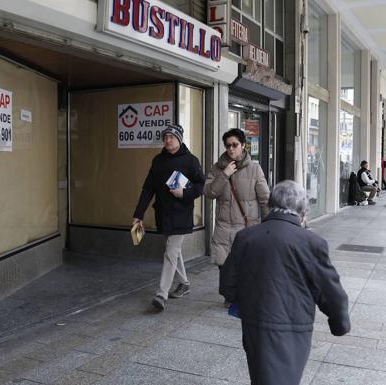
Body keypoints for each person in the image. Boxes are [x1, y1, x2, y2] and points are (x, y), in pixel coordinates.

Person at [220, 180, 350, 385]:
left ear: (270, 205)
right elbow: (331, 292)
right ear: (302, 212)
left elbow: (227, 283)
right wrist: (339, 323)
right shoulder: (312, 243)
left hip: (255, 326)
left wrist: (245, 302)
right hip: (295, 327)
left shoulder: (245, 237)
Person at [133, 124, 205, 310]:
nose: (167, 140)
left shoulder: (191, 160)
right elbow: (148, 188)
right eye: (165, 137)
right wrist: (138, 214)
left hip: (181, 213)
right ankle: (185, 283)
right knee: (174, 250)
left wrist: (184, 193)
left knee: (171, 252)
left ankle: (161, 294)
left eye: (171, 137)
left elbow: (200, 186)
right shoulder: (157, 161)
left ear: (179, 139)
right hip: (163, 213)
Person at [204, 128, 269, 305]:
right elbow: (209, 193)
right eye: (228, 145)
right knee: (224, 265)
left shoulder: (255, 168)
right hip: (224, 226)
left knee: (245, 264)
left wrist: (269, 224)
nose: (231, 149)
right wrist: (224, 175)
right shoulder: (217, 168)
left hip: (247, 227)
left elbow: (265, 199)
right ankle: (229, 296)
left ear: (243, 145)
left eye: (235, 145)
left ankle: (243, 294)